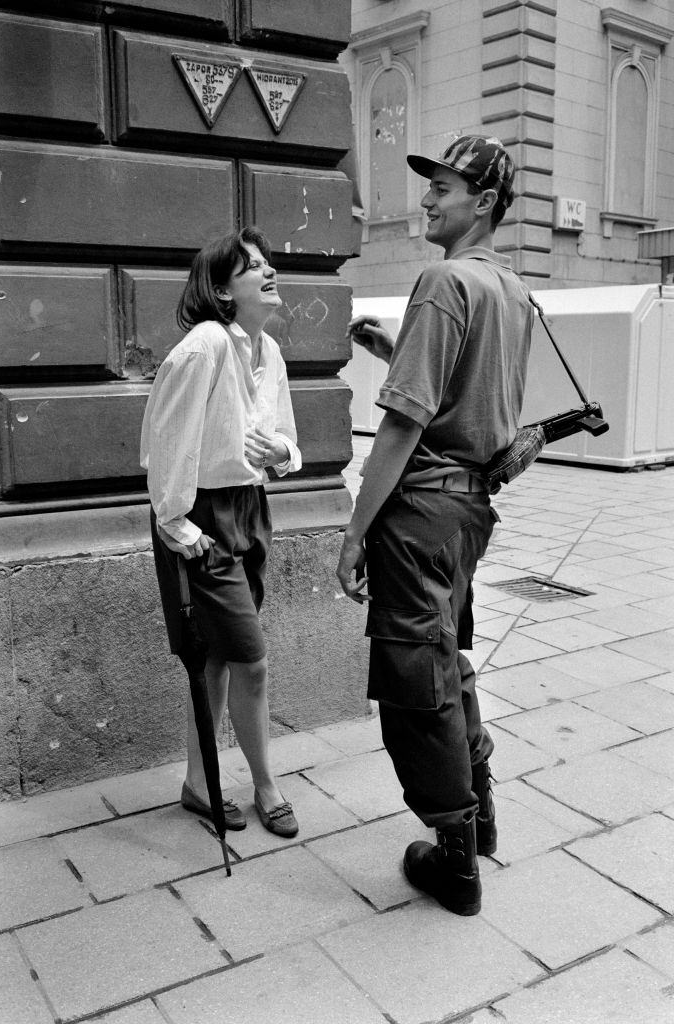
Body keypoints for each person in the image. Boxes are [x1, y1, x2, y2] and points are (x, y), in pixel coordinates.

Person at [337, 135, 534, 914]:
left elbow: (404, 424)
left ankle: (454, 861)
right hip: (468, 513)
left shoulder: (443, 280)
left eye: (443, 188)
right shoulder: (511, 289)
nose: (426, 200)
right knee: (444, 657)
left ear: (483, 202)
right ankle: (479, 813)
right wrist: (398, 350)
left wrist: (356, 529)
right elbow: (475, 397)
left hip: (417, 511)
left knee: (414, 680)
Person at [141, 227, 302, 838]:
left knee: (218, 659)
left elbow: (288, 441)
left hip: (250, 509)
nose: (268, 271)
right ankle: (266, 784)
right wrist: (179, 527)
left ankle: (197, 783)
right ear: (220, 289)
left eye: (267, 262)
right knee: (250, 659)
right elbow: (167, 443)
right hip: (201, 517)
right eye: (252, 266)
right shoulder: (204, 346)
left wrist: (278, 451)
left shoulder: (269, 353)